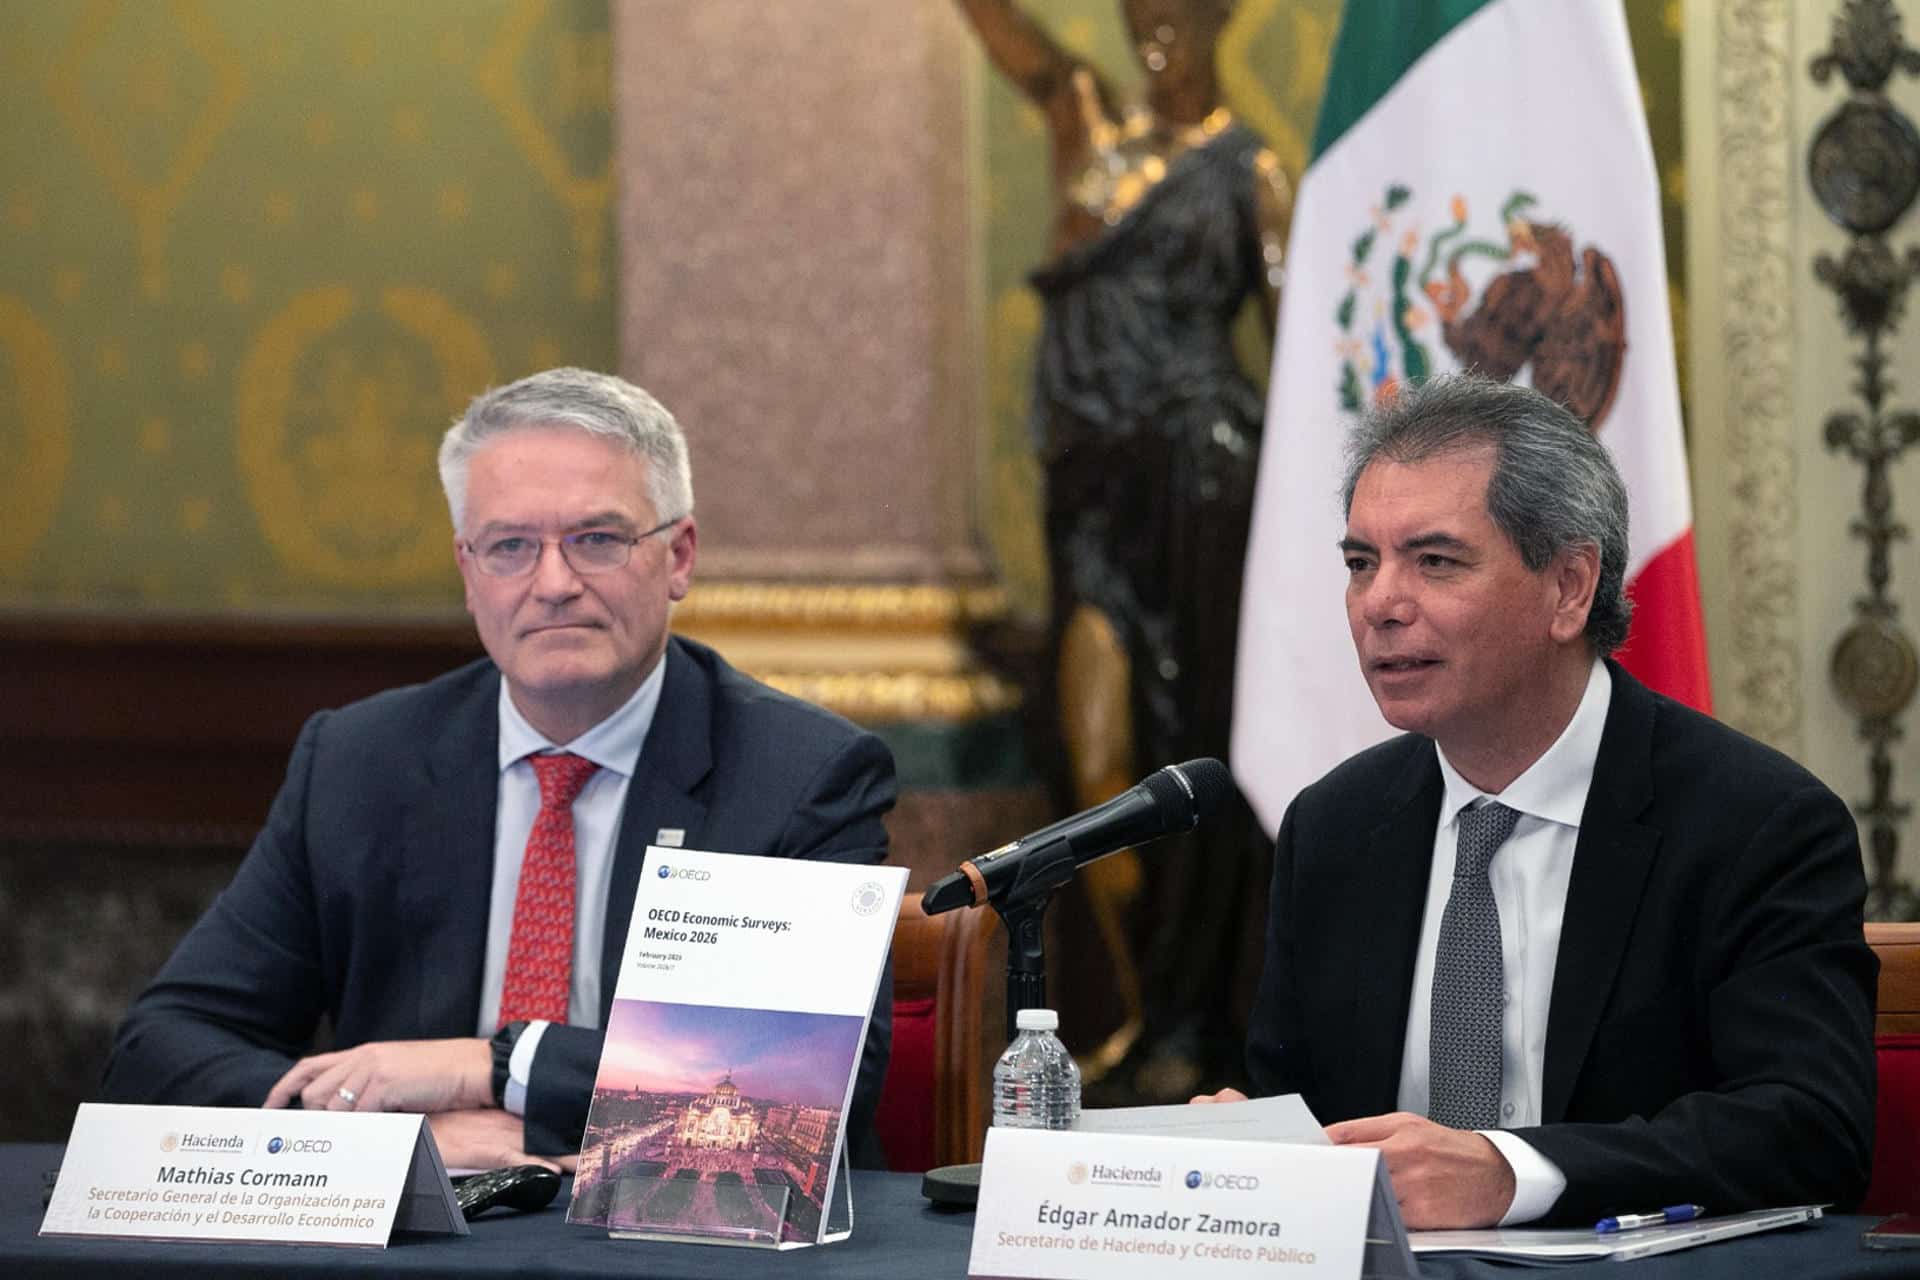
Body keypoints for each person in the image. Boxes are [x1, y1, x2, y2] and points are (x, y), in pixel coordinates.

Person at [101, 368, 897, 1171]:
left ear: (679, 557)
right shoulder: (359, 762)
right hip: (422, 1220)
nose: (553, 585)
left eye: (598, 539)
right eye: (510, 547)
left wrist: (494, 1067)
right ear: (468, 571)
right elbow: (161, 1050)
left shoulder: (796, 778)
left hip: (673, 1222)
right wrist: (385, 1138)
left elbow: (796, 1094)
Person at [1198, 374, 1876, 1228]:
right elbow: (1304, 1109)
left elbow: (1812, 1129)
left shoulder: (1756, 824)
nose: (1380, 605)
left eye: (1435, 561)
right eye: (1362, 563)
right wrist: (1256, 1141)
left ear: (1569, 589)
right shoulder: (1334, 828)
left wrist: (1512, 1173)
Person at [953, 0, 1289, 1100]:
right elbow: (1018, 47)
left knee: (1195, 734)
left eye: (1175, 12)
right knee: (1097, 747)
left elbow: (1297, 348)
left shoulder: (1252, 172)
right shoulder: (1086, 127)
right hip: (1092, 494)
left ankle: (1184, 1023)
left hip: (1203, 476)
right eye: (1138, 10)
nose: (1153, 29)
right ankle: (1150, 1001)